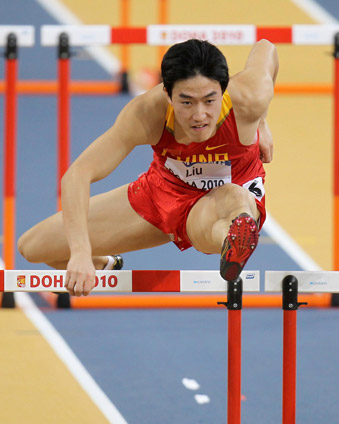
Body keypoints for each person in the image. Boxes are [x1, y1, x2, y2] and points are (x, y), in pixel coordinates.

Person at [18, 38, 278, 297]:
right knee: (33, 247)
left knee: (232, 199)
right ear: (167, 93)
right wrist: (81, 253)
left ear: (223, 90)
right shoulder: (147, 113)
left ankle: (235, 239)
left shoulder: (250, 98)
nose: (199, 115)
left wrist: (260, 120)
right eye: (186, 102)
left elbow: (267, 47)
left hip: (226, 200)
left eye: (209, 101)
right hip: (161, 192)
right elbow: (77, 175)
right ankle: (106, 263)